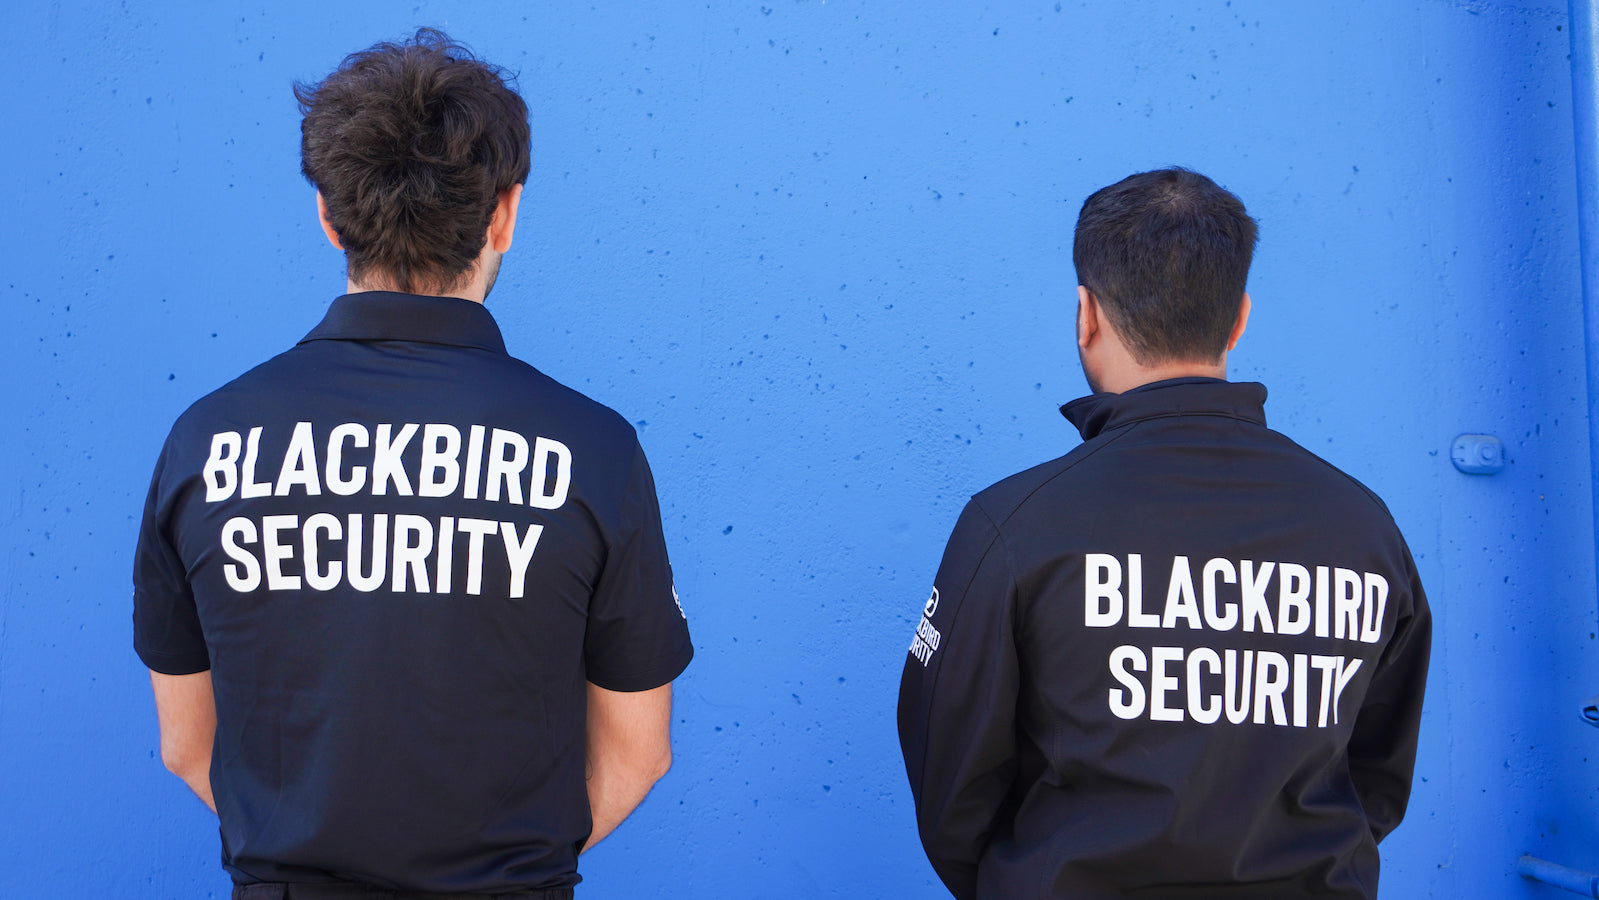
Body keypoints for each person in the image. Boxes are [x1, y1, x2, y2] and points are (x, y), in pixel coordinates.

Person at [133, 29, 692, 899]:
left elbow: (186, 746)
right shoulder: (593, 450)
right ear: (504, 212)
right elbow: (638, 751)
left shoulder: (206, 442)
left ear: (327, 215)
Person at [897, 168, 1430, 899]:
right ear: (1238, 318)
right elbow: (1377, 773)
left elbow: (950, 778)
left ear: (1085, 314)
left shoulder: (1014, 522)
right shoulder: (1362, 525)